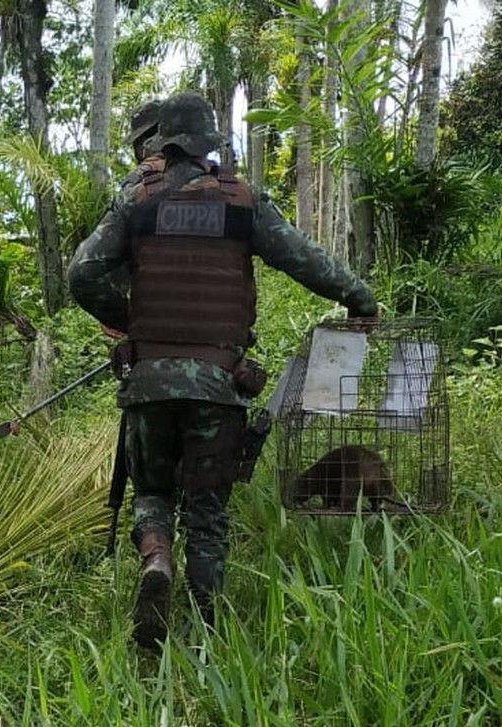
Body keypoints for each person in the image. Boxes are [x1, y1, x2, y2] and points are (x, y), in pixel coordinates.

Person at [67, 92, 378, 650]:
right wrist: (358, 297)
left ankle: (156, 560)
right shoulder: (242, 201)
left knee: (153, 495)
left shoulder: (135, 199)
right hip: (217, 384)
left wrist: (131, 321)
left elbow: (82, 272)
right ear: (209, 142)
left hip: (148, 384)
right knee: (207, 513)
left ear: (161, 143)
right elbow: (301, 257)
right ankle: (205, 630)